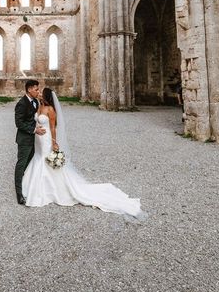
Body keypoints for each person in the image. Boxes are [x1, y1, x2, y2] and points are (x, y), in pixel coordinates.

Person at [21, 87, 146, 218]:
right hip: (38, 141)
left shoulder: (51, 110)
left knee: (47, 161)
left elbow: (53, 127)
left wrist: (54, 142)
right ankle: (36, 187)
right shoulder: (39, 106)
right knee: (39, 159)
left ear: (46, 96)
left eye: (41, 92)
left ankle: (51, 190)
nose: (38, 93)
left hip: (46, 140)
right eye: (38, 91)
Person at [14, 79, 46, 205]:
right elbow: (19, 123)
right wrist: (34, 130)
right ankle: (19, 193)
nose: (38, 91)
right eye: (36, 89)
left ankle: (26, 183)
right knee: (21, 164)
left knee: (30, 161)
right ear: (29, 89)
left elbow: (35, 117)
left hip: (34, 139)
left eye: (38, 89)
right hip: (24, 139)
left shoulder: (36, 102)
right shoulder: (21, 103)